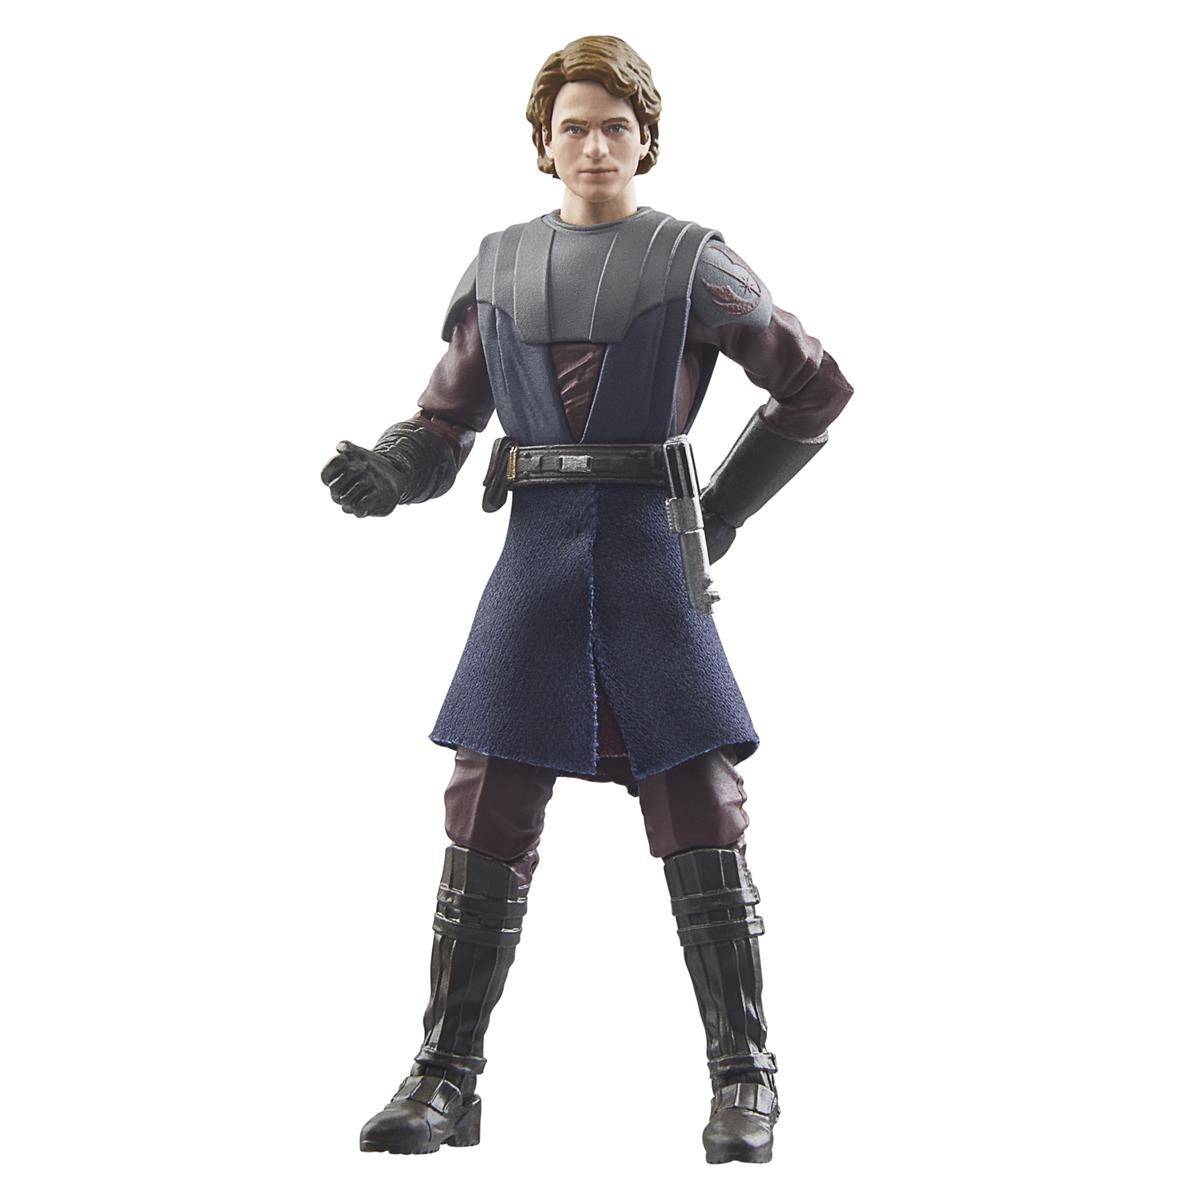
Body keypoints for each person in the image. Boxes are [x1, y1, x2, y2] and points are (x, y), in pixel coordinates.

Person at [320, 35, 853, 1164]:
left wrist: (722, 513)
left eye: (616, 126)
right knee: (485, 805)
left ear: (645, 139)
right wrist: (392, 469)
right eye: (575, 127)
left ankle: (744, 1074)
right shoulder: (500, 267)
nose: (596, 145)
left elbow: (813, 386)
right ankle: (445, 1075)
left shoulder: (696, 264)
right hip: (537, 566)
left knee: (700, 802)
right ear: (543, 142)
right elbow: (446, 423)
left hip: (652, 565)